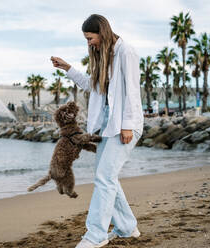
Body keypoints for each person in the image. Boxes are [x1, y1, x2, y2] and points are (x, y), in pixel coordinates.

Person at [51, 14, 144, 248]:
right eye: (86, 39)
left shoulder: (126, 52)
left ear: (102, 31)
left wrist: (127, 126)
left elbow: (132, 91)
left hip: (123, 126)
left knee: (105, 178)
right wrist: (68, 68)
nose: (89, 43)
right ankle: (126, 227)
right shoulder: (104, 56)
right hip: (105, 128)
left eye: (90, 38)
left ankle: (95, 235)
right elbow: (90, 85)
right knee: (106, 177)